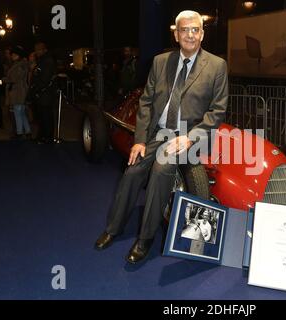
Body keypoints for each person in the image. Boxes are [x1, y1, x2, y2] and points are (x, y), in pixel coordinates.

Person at [94, 10, 228, 264]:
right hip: (158, 133)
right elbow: (146, 103)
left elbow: (217, 111)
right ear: (176, 34)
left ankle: (145, 238)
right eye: (184, 30)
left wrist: (189, 137)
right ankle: (113, 228)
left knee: (161, 169)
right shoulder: (159, 62)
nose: (190, 34)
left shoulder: (217, 66)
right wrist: (140, 140)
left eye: (195, 29)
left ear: (202, 34)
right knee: (132, 170)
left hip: (189, 136)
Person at [27, 42, 57, 144]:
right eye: (36, 49)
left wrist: (36, 90)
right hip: (41, 94)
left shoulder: (47, 61)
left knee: (46, 116)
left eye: (39, 49)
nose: (37, 51)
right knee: (42, 117)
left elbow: (44, 79)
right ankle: (42, 136)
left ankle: (47, 137)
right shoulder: (42, 61)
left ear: (45, 50)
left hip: (45, 94)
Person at [3, 46, 31, 139]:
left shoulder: (20, 65)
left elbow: (15, 78)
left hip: (18, 92)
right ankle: (27, 131)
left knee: (18, 113)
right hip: (19, 91)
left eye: (14, 54)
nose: (12, 56)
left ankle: (19, 133)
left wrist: (4, 80)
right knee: (21, 113)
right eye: (12, 54)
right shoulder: (20, 64)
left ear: (18, 55)